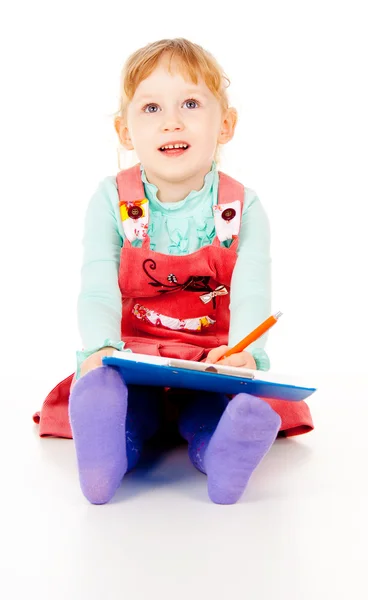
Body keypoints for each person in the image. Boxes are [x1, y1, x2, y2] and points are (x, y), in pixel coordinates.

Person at [33, 38, 313, 505]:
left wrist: (245, 351)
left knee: (209, 409)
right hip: (133, 356)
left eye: (190, 103)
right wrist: (100, 347)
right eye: (151, 108)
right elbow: (97, 282)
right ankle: (106, 456)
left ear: (225, 124)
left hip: (208, 359)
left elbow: (251, 288)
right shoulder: (111, 200)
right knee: (129, 405)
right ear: (125, 132)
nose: (172, 121)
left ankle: (222, 453)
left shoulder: (242, 207)